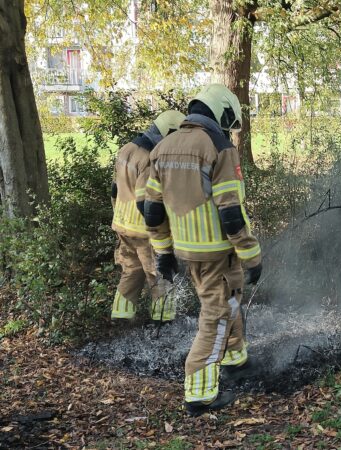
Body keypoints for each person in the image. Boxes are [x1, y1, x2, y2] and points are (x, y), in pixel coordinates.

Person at [144, 83, 263, 415]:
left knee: (231, 300)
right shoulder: (219, 147)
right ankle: (199, 393)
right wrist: (252, 255)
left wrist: (164, 253)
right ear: (222, 111)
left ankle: (236, 359)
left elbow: (151, 211)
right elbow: (231, 212)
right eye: (229, 121)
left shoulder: (162, 147)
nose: (228, 128)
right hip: (217, 253)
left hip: (186, 250)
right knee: (216, 314)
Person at [111, 110, 185, 321]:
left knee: (131, 271)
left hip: (122, 225)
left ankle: (121, 316)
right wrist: (163, 231)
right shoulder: (150, 158)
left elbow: (114, 189)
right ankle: (164, 320)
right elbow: (147, 203)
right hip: (144, 231)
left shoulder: (127, 149)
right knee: (159, 275)